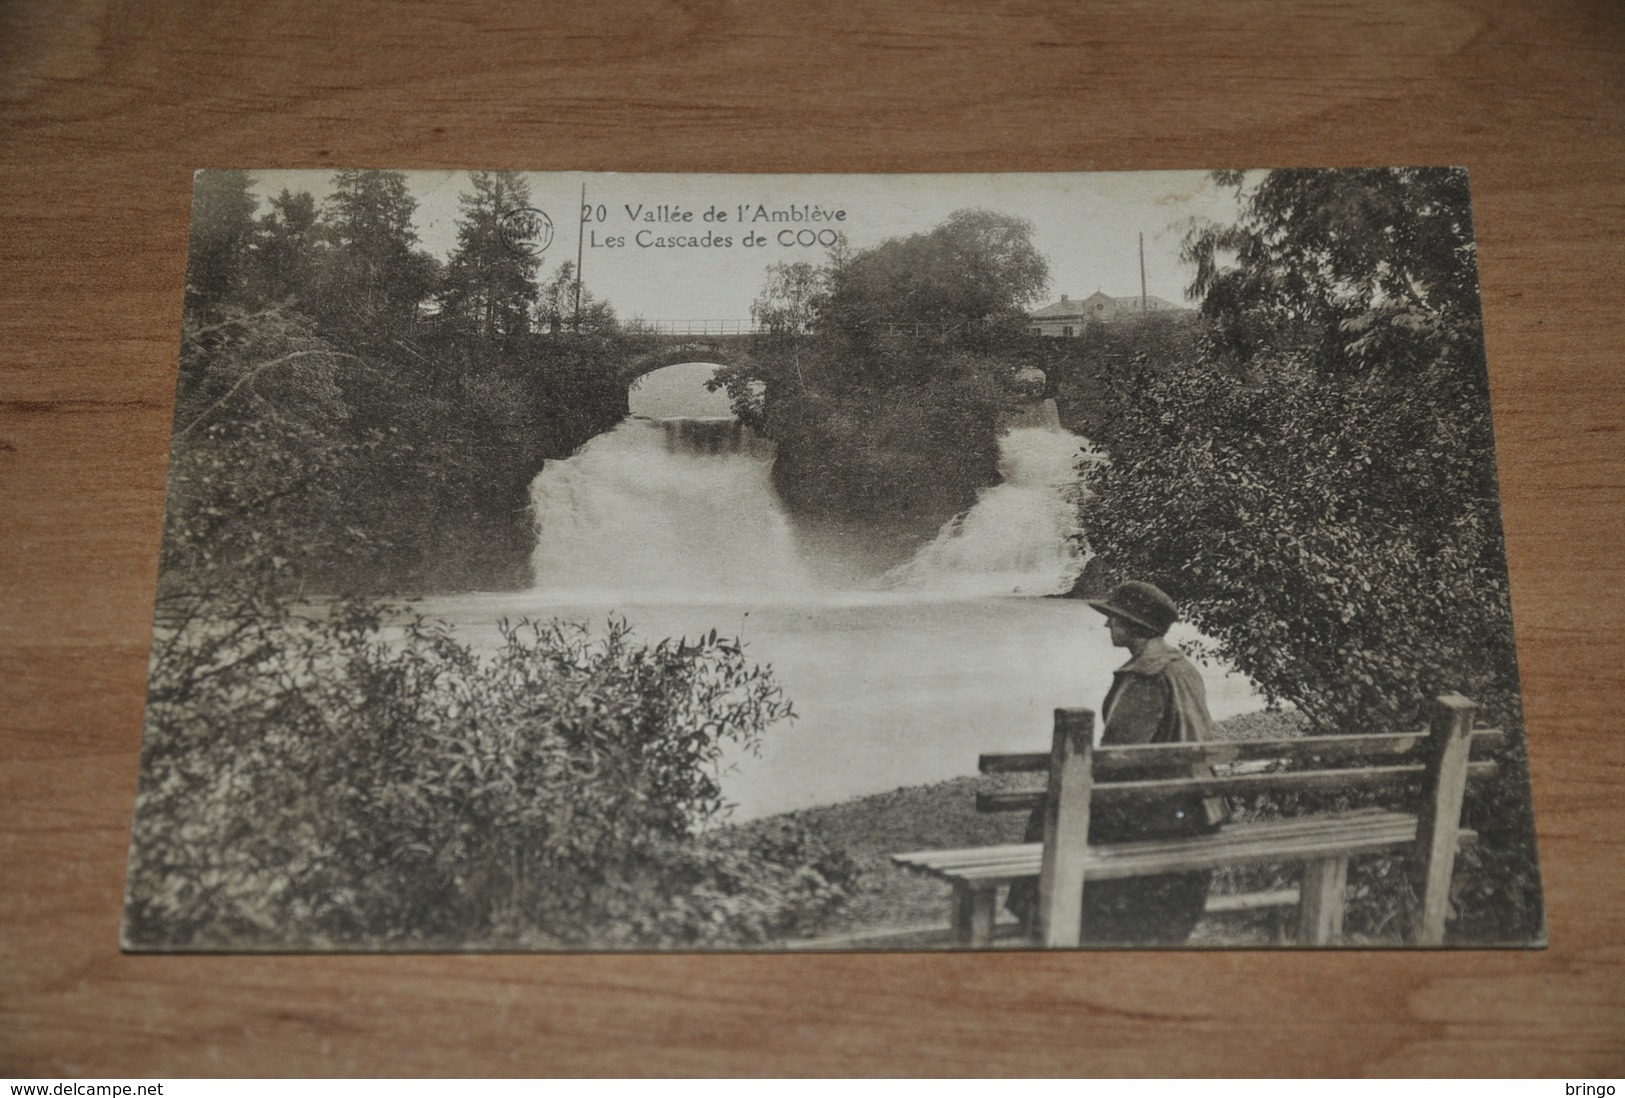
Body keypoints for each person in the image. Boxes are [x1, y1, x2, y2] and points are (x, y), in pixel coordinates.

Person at [1007, 580, 1227, 944]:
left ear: (1133, 625)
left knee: (1052, 815)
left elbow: (1117, 758)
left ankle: (1044, 922)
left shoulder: (1145, 676)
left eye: (1114, 619)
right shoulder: (1182, 667)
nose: (1107, 625)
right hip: (1203, 804)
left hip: (1167, 810)